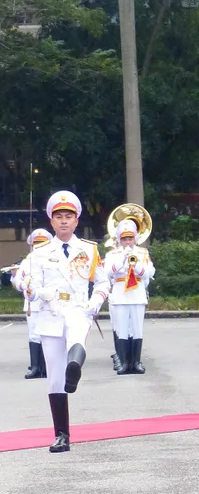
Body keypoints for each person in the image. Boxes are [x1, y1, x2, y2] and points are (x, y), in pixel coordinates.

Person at [21, 191, 110, 452]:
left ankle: (75, 368)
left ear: (76, 220)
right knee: (54, 379)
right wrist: (35, 291)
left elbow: (102, 282)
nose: (63, 221)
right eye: (58, 216)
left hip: (78, 309)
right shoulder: (39, 253)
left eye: (68, 217)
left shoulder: (89, 250)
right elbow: (32, 287)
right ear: (51, 221)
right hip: (50, 314)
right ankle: (61, 435)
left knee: (76, 339)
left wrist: (95, 302)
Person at [104, 219, 156, 375]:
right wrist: (122, 261)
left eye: (130, 238)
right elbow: (107, 272)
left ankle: (136, 362)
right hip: (120, 293)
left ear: (135, 239)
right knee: (122, 329)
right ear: (120, 240)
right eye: (124, 239)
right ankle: (125, 363)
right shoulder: (112, 254)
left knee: (137, 329)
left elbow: (149, 272)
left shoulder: (143, 253)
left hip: (137, 293)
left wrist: (136, 264)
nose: (128, 242)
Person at [11, 228, 53, 380]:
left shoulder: (53, 260)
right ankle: (36, 367)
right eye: (37, 243)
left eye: (43, 243)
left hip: (49, 303)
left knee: (49, 334)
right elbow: (18, 281)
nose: (39, 246)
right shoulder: (27, 262)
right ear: (32, 244)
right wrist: (24, 285)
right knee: (34, 334)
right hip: (32, 304)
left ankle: (48, 366)